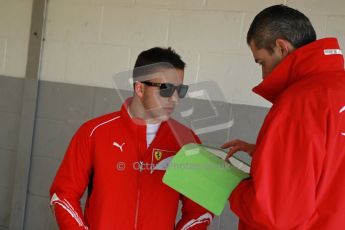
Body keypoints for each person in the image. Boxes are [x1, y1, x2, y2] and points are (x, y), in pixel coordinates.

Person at [50, 47, 213, 229]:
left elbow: (201, 209)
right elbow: (63, 195)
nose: (175, 98)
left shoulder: (187, 141)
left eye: (180, 90)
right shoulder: (94, 133)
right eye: (166, 89)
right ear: (140, 88)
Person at [222, 4, 345, 229]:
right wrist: (266, 154)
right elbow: (331, 162)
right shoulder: (337, 88)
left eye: (261, 62)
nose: (263, 74)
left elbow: (276, 215)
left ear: (281, 47)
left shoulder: (299, 102)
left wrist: (229, 184)